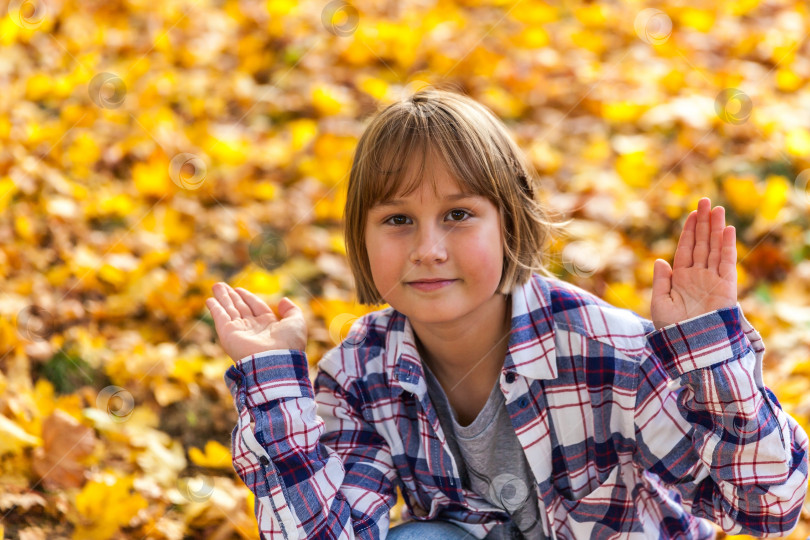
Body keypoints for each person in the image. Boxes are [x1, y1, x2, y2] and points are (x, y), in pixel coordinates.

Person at [205, 88, 809, 539]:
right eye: (397, 220)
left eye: (458, 215)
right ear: (361, 240)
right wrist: (275, 386)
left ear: (509, 223)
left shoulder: (609, 354)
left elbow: (769, 507)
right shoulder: (362, 377)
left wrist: (710, 353)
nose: (428, 249)